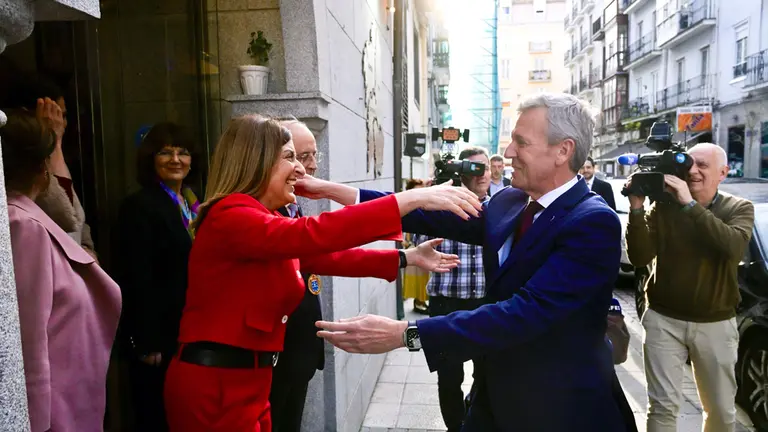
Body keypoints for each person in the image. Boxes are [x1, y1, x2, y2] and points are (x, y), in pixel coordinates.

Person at [308, 93, 626, 431]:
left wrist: (406, 334)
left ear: (563, 150)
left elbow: (523, 314)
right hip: (493, 396)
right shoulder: (510, 201)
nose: (507, 153)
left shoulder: (592, 222)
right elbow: (429, 217)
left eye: (521, 142)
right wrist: (339, 193)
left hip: (556, 407)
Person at [162, 114, 480, 432]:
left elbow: (325, 256)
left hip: (251, 382)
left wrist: (404, 258)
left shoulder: (262, 216)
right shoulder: (230, 216)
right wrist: (408, 200)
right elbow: (314, 234)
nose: (302, 169)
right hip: (215, 388)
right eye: (290, 157)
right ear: (256, 161)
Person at [2, 105, 122, 431]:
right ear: (43, 168)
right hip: (54, 413)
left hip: (67, 404)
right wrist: (36, 421)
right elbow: (29, 332)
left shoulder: (26, 218)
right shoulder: (21, 224)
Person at [625, 143, 754, 432]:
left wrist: (690, 206)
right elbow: (640, 257)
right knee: (662, 408)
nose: (693, 171)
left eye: (703, 166)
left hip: (715, 324)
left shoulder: (738, 208)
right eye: (690, 164)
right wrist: (635, 210)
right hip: (663, 320)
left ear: (723, 173)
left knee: (720, 410)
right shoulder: (664, 206)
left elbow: (732, 248)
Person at [114, 122, 202, 431]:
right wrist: (146, 341)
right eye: (165, 152)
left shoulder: (195, 204)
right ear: (151, 158)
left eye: (183, 152)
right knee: (157, 417)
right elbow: (136, 277)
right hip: (159, 339)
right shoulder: (139, 206)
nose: (175, 159)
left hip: (191, 330)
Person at [418, 146, 491, 432]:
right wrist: (426, 199)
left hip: (487, 304)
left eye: (485, 166)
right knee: (449, 377)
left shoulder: (503, 204)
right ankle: (455, 427)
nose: (482, 173)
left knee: (487, 373)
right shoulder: (443, 202)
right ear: (461, 171)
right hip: (445, 304)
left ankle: (473, 420)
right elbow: (418, 238)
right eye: (474, 167)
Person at [9, 76, 97, 258]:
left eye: (63, 116)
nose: (61, 123)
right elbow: (65, 218)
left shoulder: (67, 156)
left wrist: (88, 250)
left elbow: (79, 220)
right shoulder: (23, 165)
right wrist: (53, 141)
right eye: (57, 115)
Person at [402, 179, 431, 314]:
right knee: (418, 279)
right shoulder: (405, 207)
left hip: (423, 247)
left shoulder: (424, 206)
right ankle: (418, 302)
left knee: (424, 278)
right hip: (412, 248)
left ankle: (421, 301)